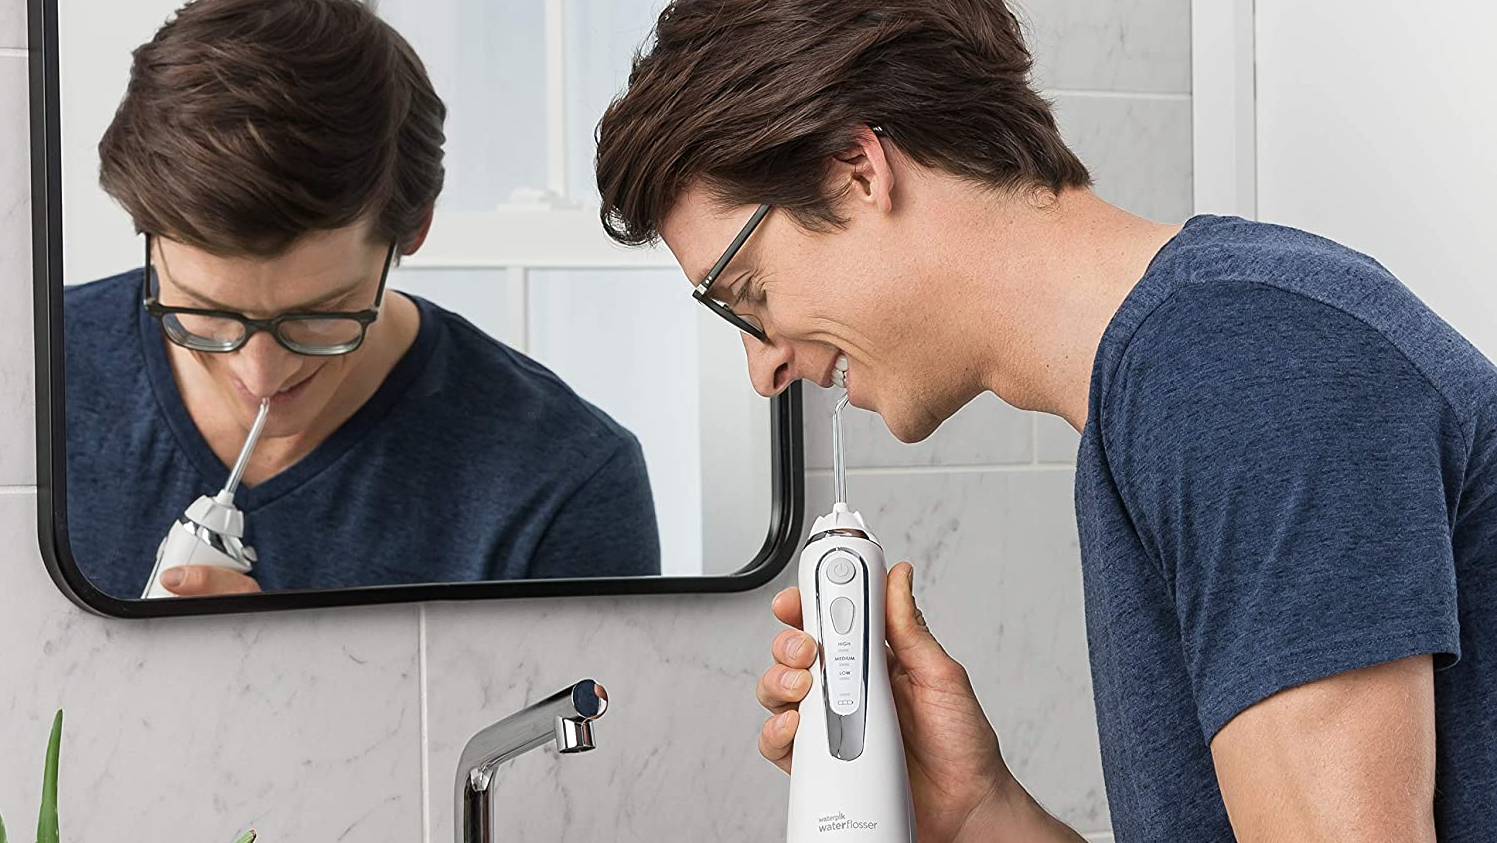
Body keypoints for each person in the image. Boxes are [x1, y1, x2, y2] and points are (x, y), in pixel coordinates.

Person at [593, 0, 1497, 840]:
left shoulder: (1237, 363)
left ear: (858, 170)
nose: (764, 365)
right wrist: (980, 806)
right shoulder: (1164, 384)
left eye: (747, 296)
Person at [65, 0, 660, 598]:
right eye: (205, 312)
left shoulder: (562, 482)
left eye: (319, 314)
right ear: (144, 230)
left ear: (415, 230)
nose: (262, 373)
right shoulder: (24, 385)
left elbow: (590, 696)